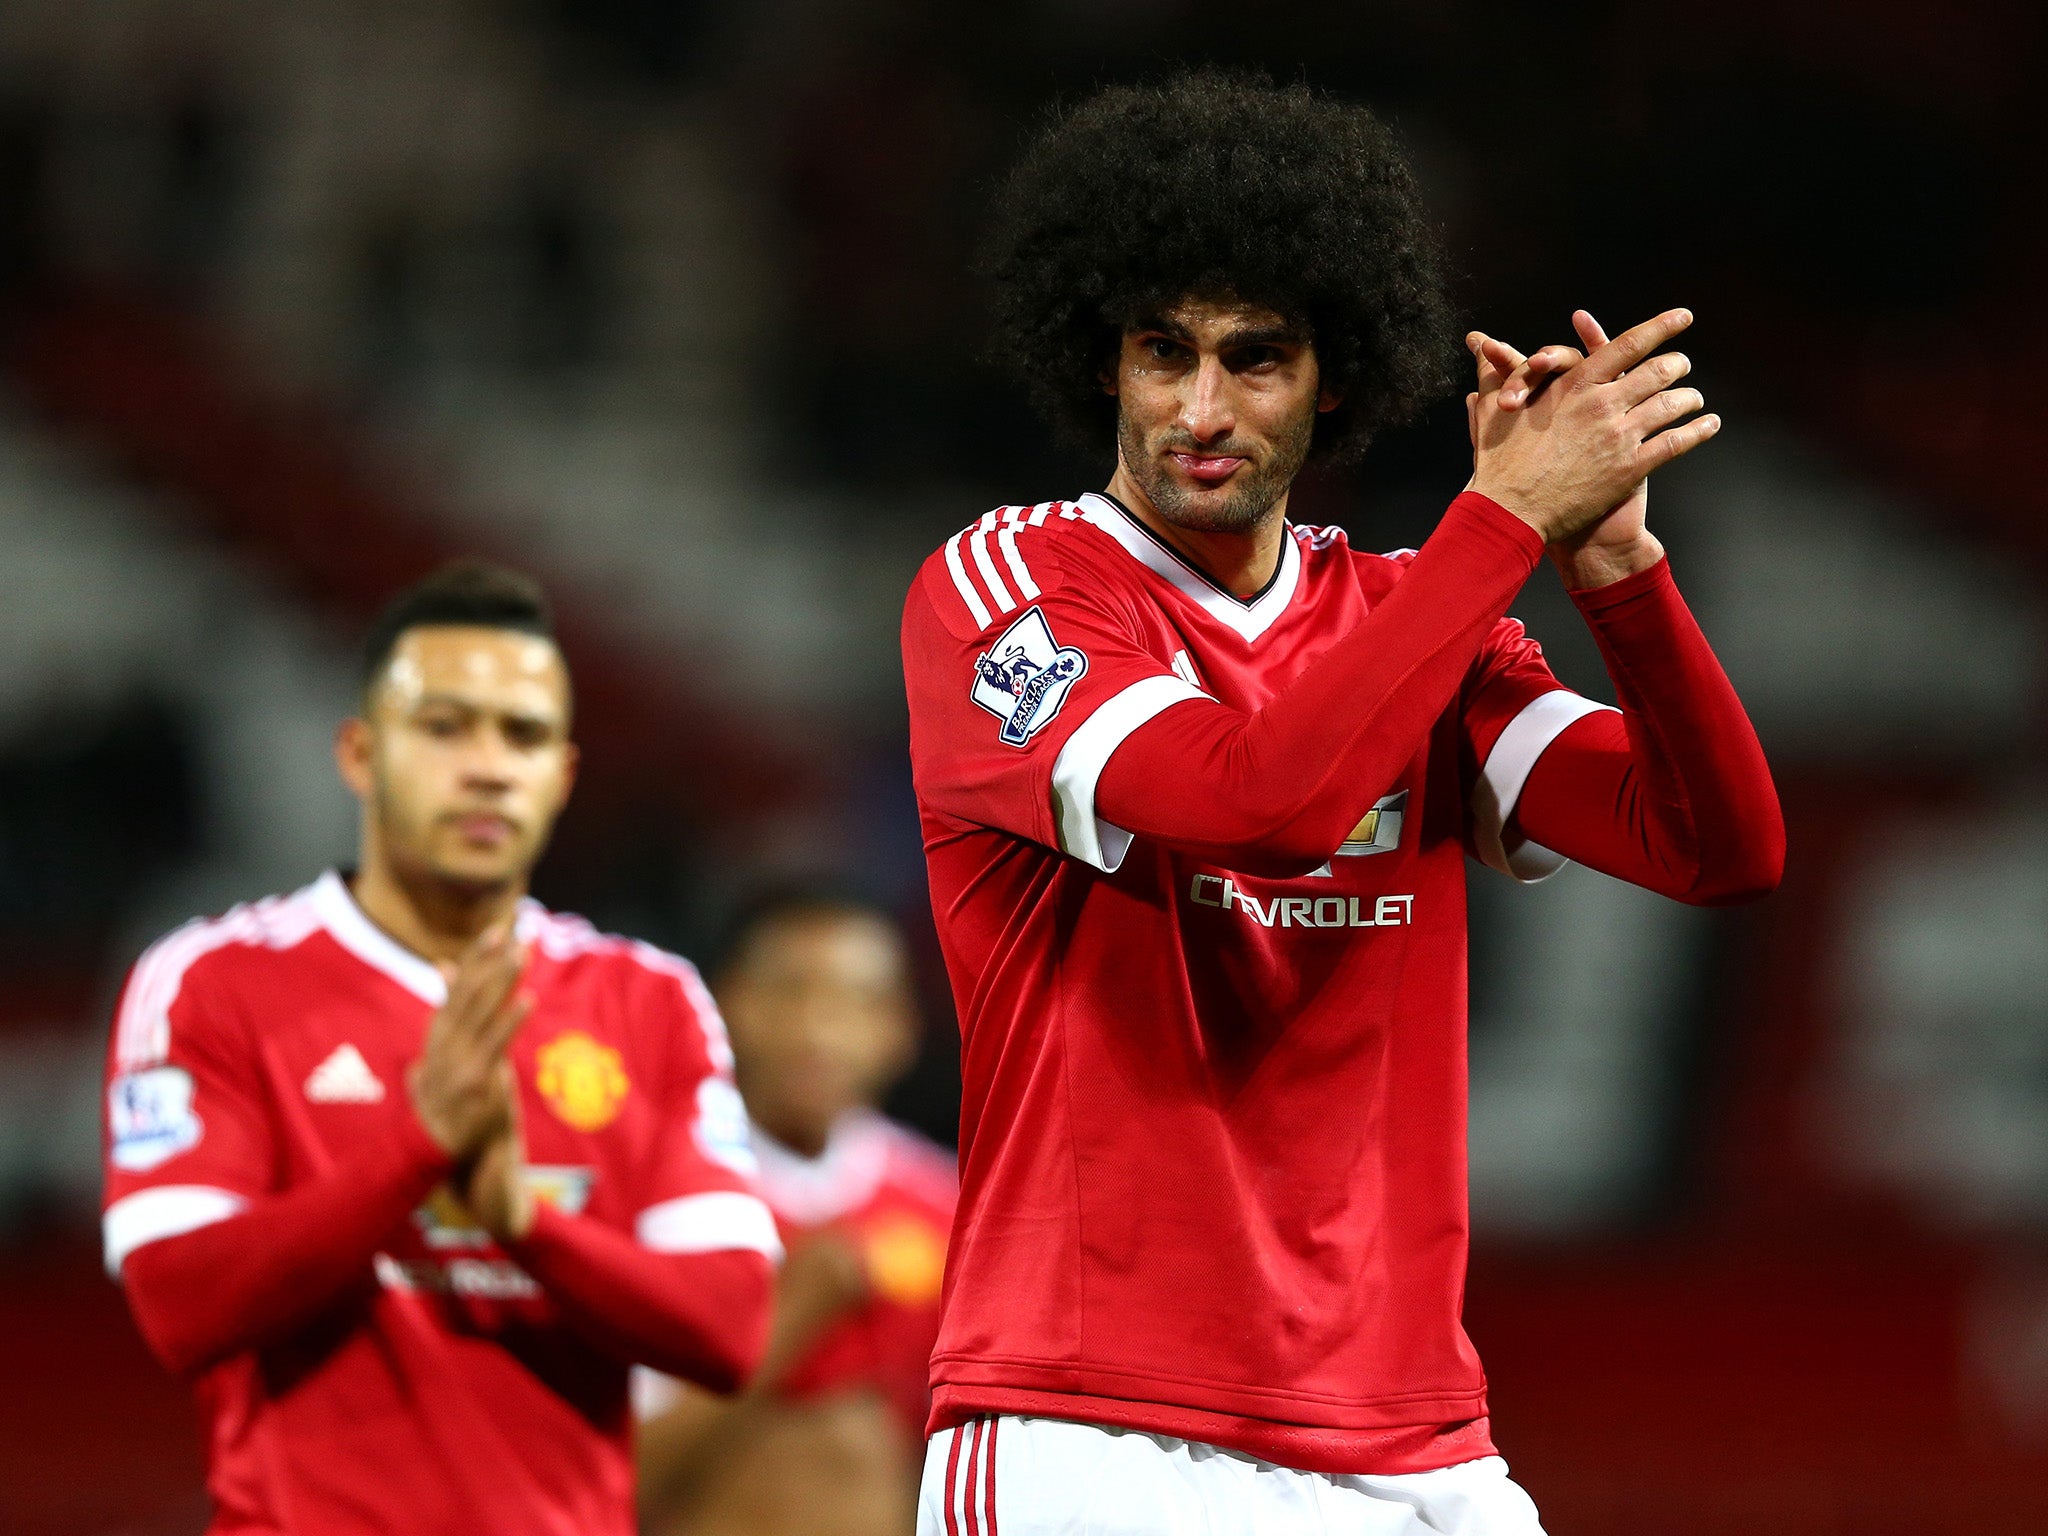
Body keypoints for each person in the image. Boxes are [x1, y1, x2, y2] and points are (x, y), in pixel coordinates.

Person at [899, 71, 1785, 1534]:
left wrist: (1617, 575)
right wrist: (1501, 522)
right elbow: (1260, 805)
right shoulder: (1013, 593)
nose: (1199, 405)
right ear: (1098, 359)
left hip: (1415, 1442)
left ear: (1335, 379)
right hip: (1090, 1428)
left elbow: (1718, 848)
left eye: (1257, 359)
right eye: (1160, 350)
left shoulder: (1406, 624)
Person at [99, 562, 781, 1536]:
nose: (489, 765)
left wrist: (522, 1221)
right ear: (360, 754)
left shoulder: (651, 999)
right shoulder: (212, 980)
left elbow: (728, 1328)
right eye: (445, 726)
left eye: (524, 734)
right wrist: (414, 1149)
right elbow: (180, 1304)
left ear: (563, 775)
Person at [636, 890, 957, 1536]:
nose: (817, 1030)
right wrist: (791, 1315)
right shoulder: (662, 1195)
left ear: (901, 1027)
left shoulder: (948, 1208)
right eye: (787, 992)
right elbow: (624, 1471)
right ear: (725, 1005)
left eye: (854, 1002)